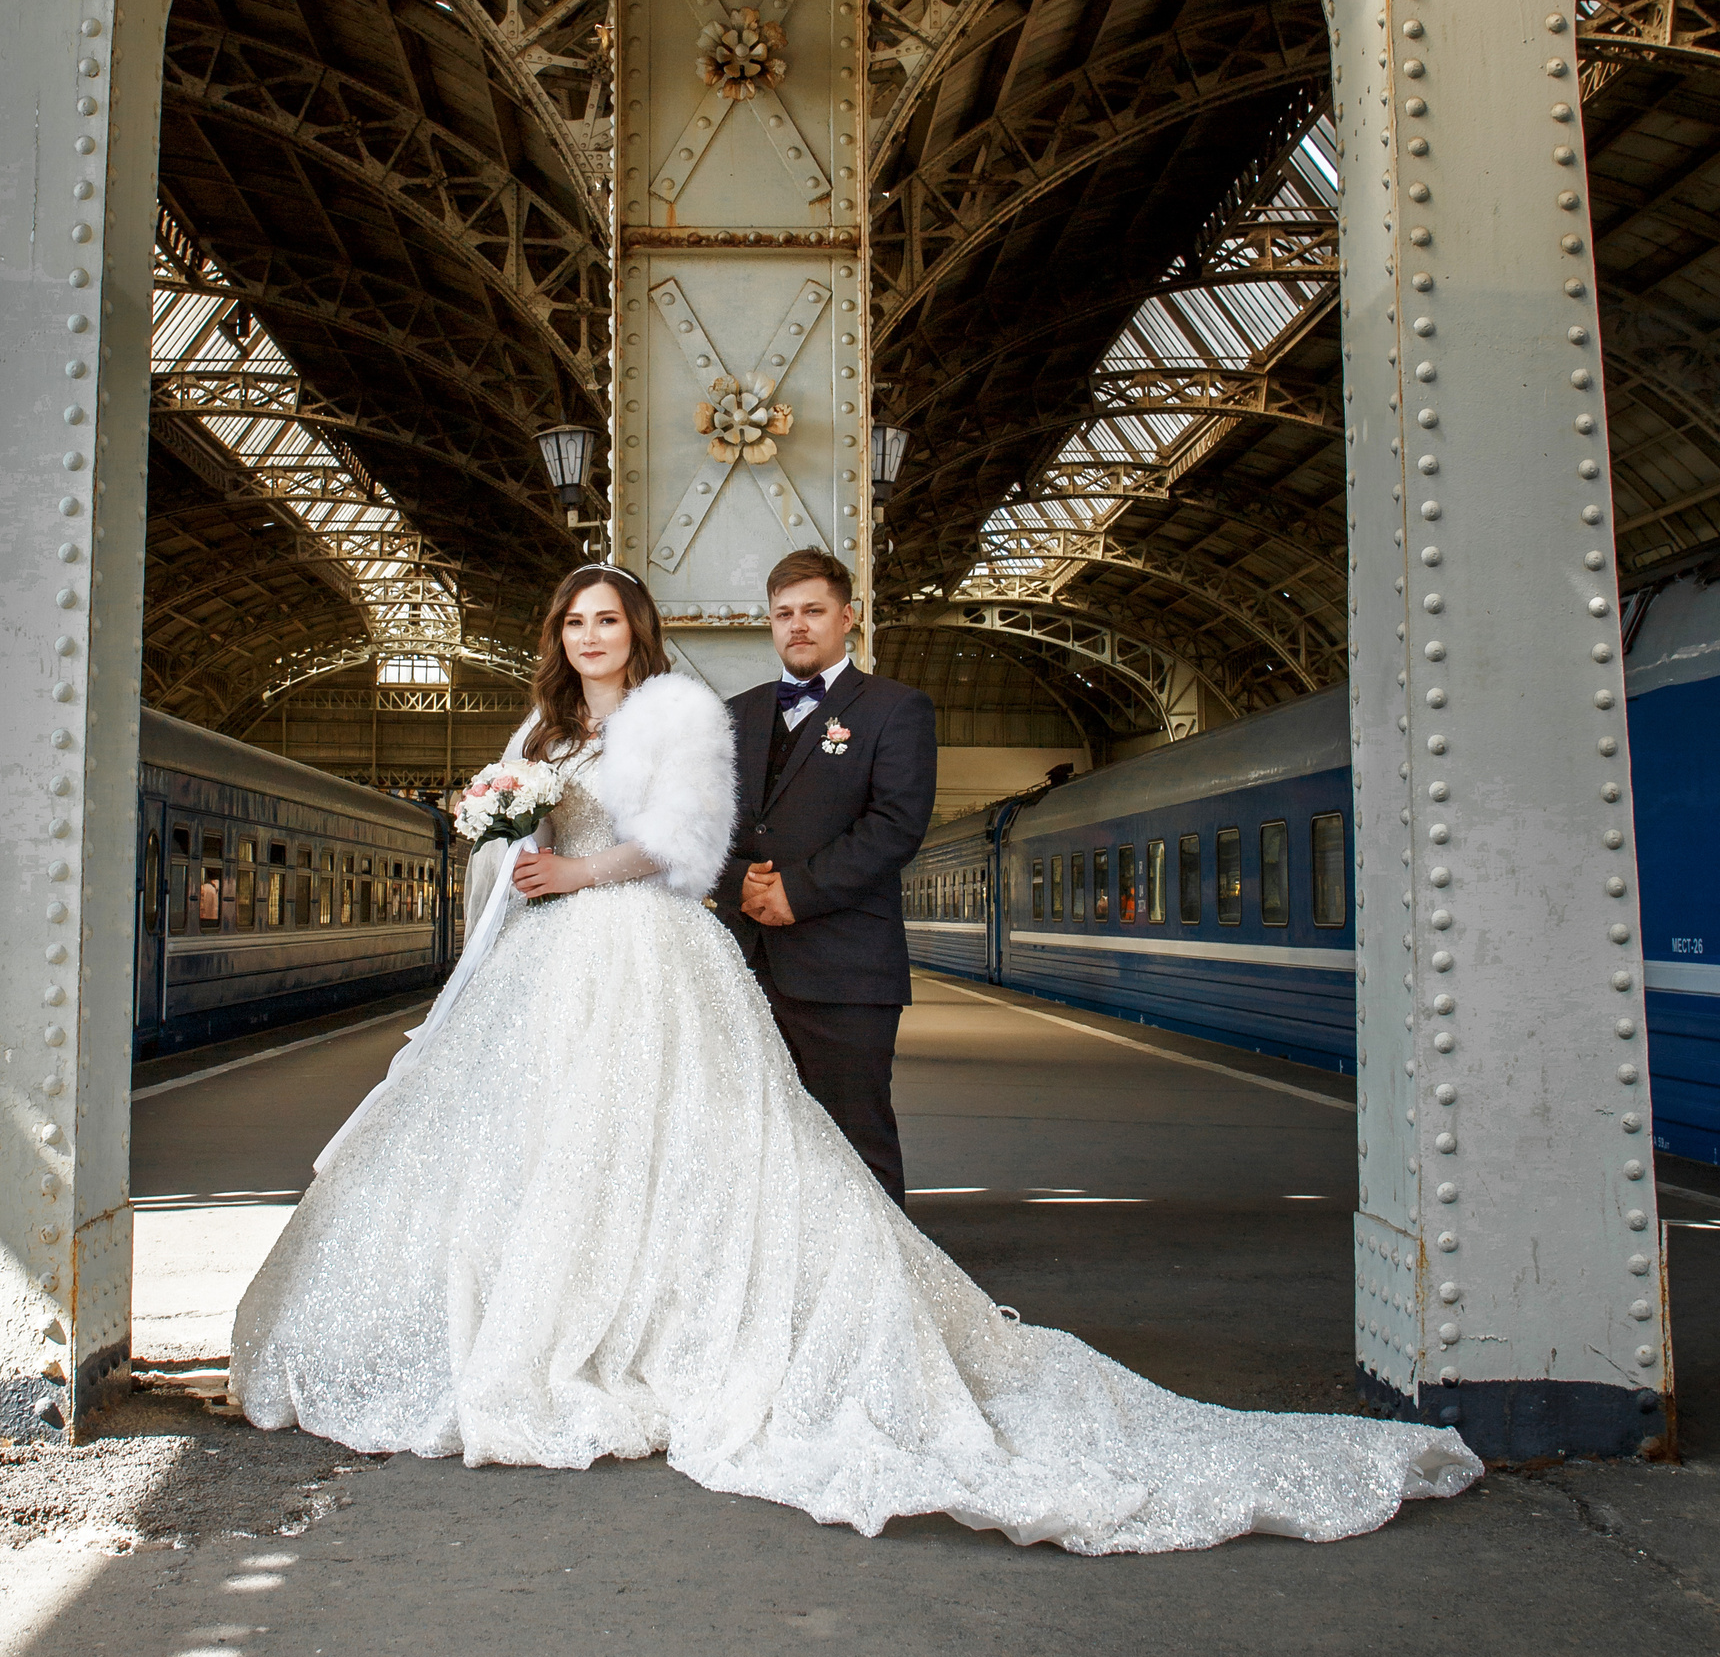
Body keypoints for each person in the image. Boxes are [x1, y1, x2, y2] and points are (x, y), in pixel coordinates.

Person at [231, 562, 1482, 1553]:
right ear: (557, 636)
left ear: (638, 630)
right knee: (561, 1147)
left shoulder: (678, 713)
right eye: (574, 621)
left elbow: (687, 839)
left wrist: (575, 865)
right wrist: (506, 836)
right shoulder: (545, 726)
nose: (589, 635)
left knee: (706, 1143)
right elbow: (530, 829)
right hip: (555, 963)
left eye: (607, 618)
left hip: (642, 948)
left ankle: (721, 1334)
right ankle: (564, 1326)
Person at [715, 548, 934, 1205]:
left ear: (849, 617)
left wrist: (797, 892)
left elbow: (895, 825)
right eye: (784, 613)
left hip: (846, 971)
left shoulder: (896, 708)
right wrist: (736, 882)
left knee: (855, 1137)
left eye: (813, 610)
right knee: (749, 1141)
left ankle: (882, 1269)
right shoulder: (734, 715)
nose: (797, 625)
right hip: (742, 963)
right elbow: (701, 824)